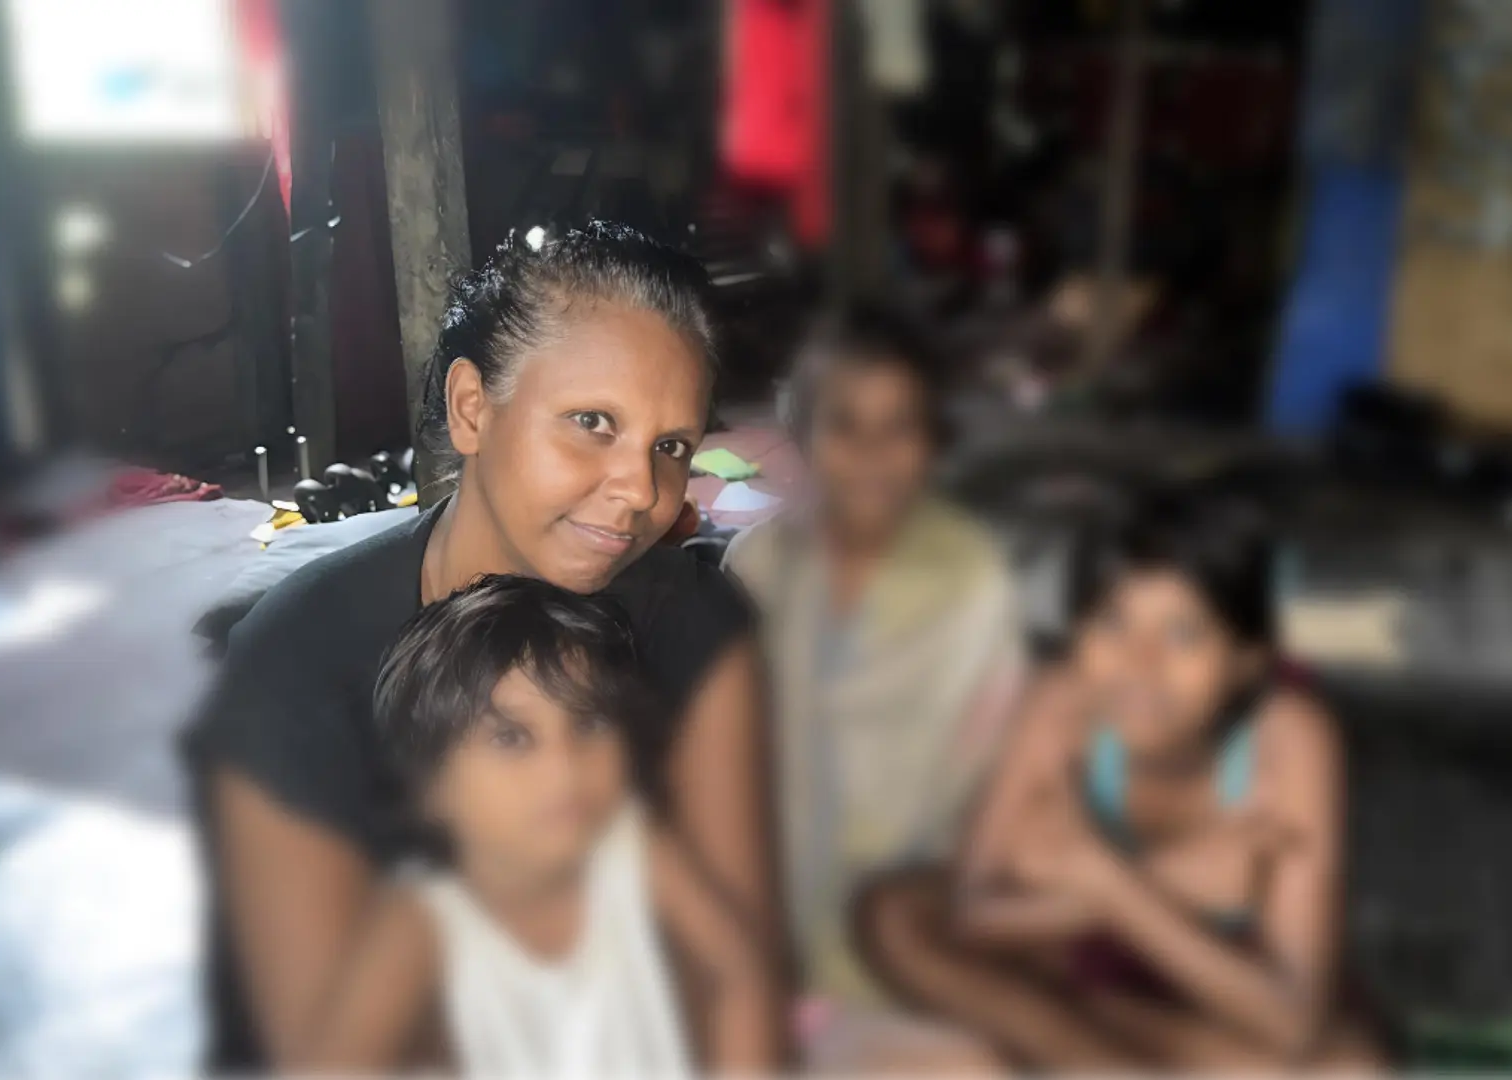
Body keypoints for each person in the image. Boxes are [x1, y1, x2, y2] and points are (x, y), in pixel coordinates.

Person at [187, 222, 782, 1071]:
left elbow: (738, 973)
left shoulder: (694, 623)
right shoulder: (298, 664)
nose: (640, 489)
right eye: (591, 422)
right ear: (472, 408)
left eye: (671, 446)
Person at [854, 501, 1385, 1072]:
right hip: (1069, 972)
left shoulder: (1289, 739)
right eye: (1111, 622)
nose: (1139, 663)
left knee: (1350, 1070)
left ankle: (1073, 1055)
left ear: (1245, 661)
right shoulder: (1062, 701)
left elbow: (1291, 1023)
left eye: (1182, 634)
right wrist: (1174, 879)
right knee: (890, 913)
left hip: (1210, 992)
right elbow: (969, 914)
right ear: (1077, 631)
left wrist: (1109, 885)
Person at [296, 574, 775, 1074]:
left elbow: (738, 974)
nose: (564, 768)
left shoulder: (630, 847)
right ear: (430, 787)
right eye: (511, 739)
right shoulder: (423, 919)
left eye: (588, 724)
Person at [722, 305, 1024, 1071]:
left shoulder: (970, 576)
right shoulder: (756, 569)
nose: (872, 457)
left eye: (901, 427)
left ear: (931, 441)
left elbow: (991, 777)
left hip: (910, 934)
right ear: (803, 437)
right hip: (765, 927)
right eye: (845, 426)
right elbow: (735, 767)